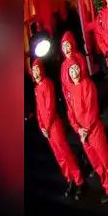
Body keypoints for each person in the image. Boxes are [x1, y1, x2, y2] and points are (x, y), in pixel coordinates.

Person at [63, 58, 108, 205]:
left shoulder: (87, 84)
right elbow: (70, 113)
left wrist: (85, 129)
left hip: (94, 131)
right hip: (83, 134)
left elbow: (92, 109)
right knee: (96, 164)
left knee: (106, 161)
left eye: (76, 68)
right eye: (71, 70)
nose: (74, 72)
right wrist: (78, 129)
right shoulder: (70, 91)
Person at [31, 59, 84, 198]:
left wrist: (47, 126)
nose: (35, 73)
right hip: (47, 129)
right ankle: (69, 178)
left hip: (54, 125)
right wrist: (42, 126)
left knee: (64, 151)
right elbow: (39, 110)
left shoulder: (48, 84)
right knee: (59, 156)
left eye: (37, 69)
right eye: (33, 70)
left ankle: (79, 180)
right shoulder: (36, 88)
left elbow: (50, 107)